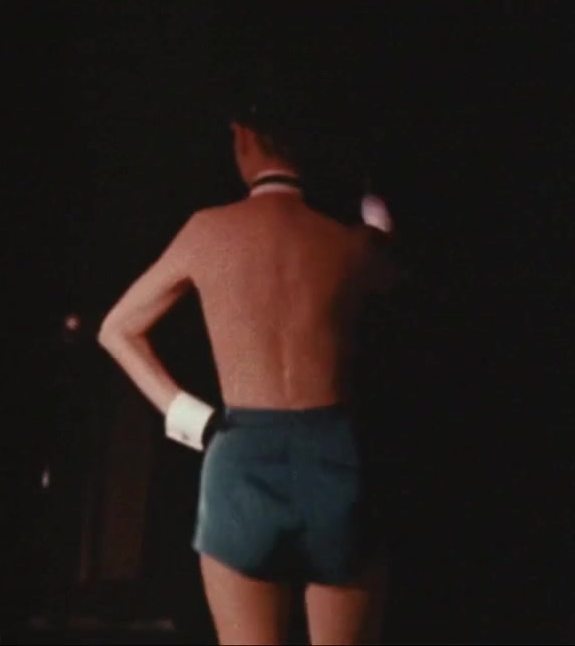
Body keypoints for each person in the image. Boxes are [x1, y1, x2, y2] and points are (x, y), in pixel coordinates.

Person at [97, 100, 399, 645]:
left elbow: (116, 329)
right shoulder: (350, 243)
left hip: (240, 454)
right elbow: (399, 280)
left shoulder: (208, 231)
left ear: (243, 138)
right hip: (335, 456)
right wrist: (378, 220)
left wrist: (192, 419)